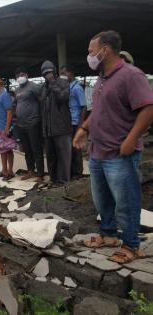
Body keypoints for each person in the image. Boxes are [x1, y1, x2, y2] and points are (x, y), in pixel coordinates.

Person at [74, 30, 153, 263]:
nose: (89, 56)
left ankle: (131, 245)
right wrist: (84, 129)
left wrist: (130, 140)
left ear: (105, 50)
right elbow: (98, 112)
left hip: (119, 153)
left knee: (126, 201)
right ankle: (108, 234)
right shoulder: (102, 78)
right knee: (102, 200)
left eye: (91, 51)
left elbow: (148, 108)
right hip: (98, 152)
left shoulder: (131, 75)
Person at [40, 60, 72, 185]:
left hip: (62, 127)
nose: (48, 75)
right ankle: (53, 180)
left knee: (64, 156)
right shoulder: (44, 87)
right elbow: (42, 104)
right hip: (48, 128)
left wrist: (53, 83)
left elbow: (62, 98)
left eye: (49, 72)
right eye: (45, 73)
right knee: (51, 156)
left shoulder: (63, 83)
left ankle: (64, 182)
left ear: (54, 71)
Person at [14, 67, 44, 183]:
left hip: (33, 122)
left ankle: (40, 174)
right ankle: (30, 170)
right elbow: (16, 104)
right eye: (17, 76)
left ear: (26, 75)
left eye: (21, 74)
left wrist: (39, 116)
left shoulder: (34, 86)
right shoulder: (17, 90)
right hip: (21, 124)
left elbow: (42, 100)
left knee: (36, 148)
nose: (19, 77)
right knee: (27, 149)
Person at [60, 65, 87, 179]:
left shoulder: (77, 88)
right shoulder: (69, 86)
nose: (63, 76)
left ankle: (78, 173)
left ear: (70, 73)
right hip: (69, 122)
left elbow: (84, 106)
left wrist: (81, 125)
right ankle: (72, 172)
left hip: (76, 122)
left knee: (76, 149)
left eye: (64, 73)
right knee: (70, 148)